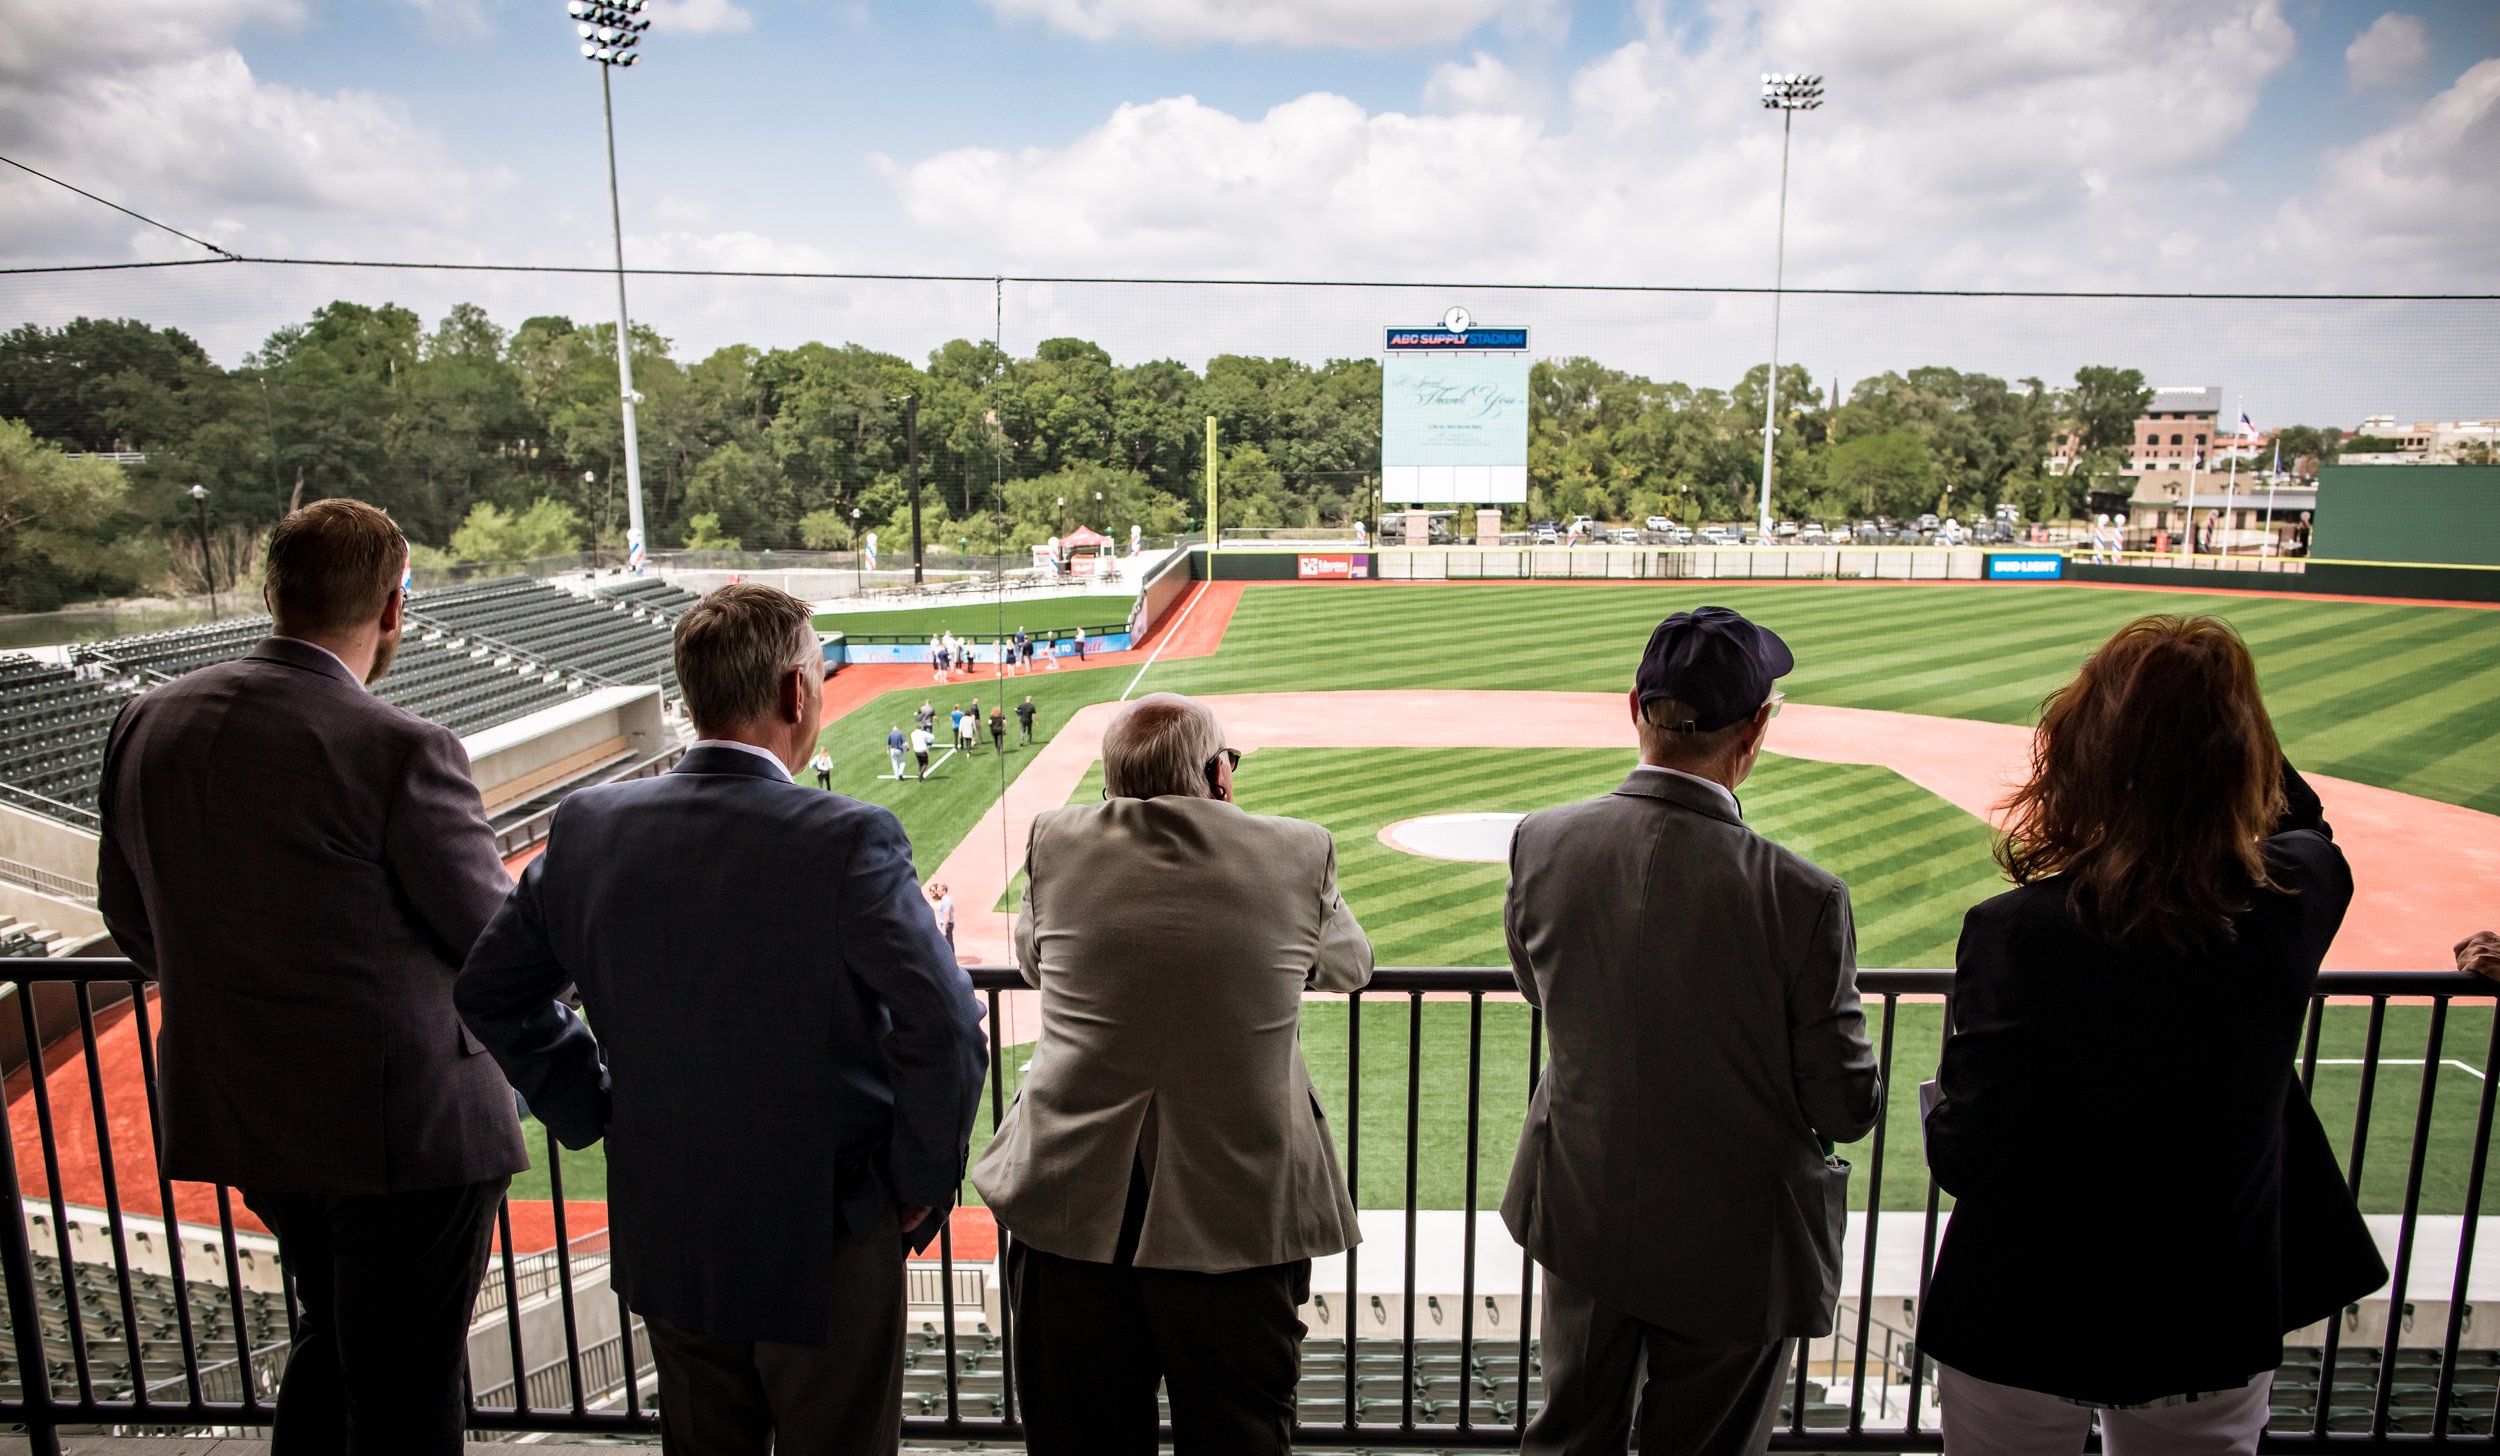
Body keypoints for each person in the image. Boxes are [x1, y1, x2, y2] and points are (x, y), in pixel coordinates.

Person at [457, 583, 987, 1456]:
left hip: (669, 1219)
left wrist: (591, 1105)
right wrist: (920, 1184)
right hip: (826, 1227)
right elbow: (941, 1023)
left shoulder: (590, 826)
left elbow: (490, 989)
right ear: (794, 693)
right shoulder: (848, 838)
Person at [95, 499, 526, 1455]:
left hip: (248, 1111)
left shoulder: (146, 723)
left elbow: (130, 922)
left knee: (334, 1346)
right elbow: (498, 943)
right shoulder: (398, 746)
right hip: (407, 1131)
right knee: (406, 1386)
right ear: (392, 609)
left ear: (271, 593)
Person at [1918, 615, 2385, 1455]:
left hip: (2019, 1303)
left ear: (2085, 758)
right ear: (2242, 759)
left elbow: (1965, 1155)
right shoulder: (2292, 902)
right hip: (2208, 1307)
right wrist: (2212, 715)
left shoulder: (2016, 930)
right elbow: (2305, 822)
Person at [1502, 605, 1881, 1456]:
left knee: (1568, 1437)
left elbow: (1540, 987)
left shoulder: (1543, 841)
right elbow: (1847, 1101)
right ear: (1754, 730)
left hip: (1583, 1201)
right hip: (1736, 1240)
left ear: (1635, 704)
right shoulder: (1801, 894)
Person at [975, 693, 1372, 1456]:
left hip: (1068, 1206)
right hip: (1237, 1214)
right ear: (1218, 774)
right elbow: (1350, 967)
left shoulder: (1054, 840)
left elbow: (1033, 960)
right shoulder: (1297, 849)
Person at [928, 882, 956, 951]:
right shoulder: (945, 899)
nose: (937, 892)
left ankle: (950, 959)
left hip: (946, 924)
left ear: (944, 891)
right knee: (947, 942)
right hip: (943, 923)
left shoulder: (946, 901)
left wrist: (943, 928)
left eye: (939, 891)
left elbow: (947, 916)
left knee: (947, 943)